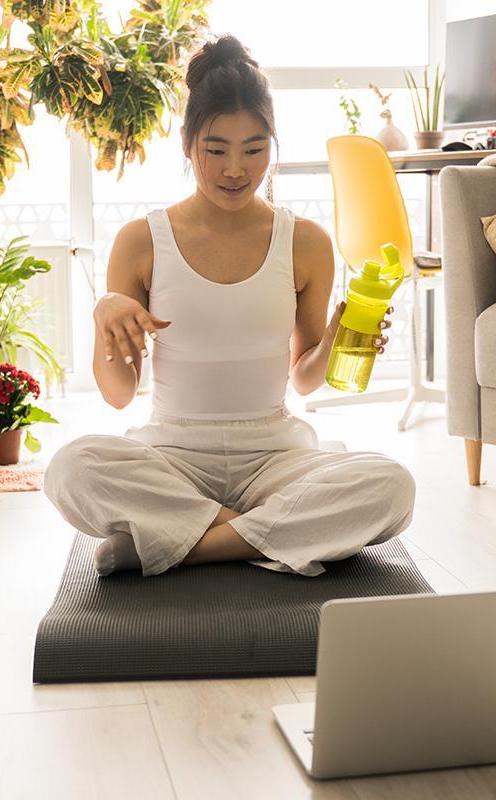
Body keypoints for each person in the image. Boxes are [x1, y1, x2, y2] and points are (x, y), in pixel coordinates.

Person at [44, 34, 416, 577]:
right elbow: (120, 395)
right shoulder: (141, 241)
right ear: (188, 143)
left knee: (392, 486)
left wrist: (336, 337)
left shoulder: (305, 242)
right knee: (70, 470)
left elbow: (305, 380)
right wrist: (104, 317)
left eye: (254, 149)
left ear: (273, 143)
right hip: (171, 454)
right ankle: (258, 532)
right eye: (216, 150)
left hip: (275, 455)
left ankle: (184, 542)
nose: (236, 169)